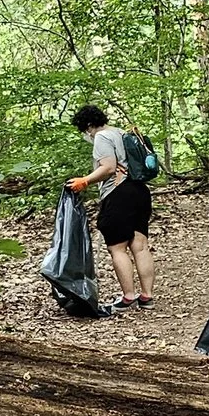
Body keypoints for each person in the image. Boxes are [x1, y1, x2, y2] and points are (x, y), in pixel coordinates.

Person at [67, 104, 156, 308]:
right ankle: (146, 296)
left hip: (118, 194)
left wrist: (85, 181)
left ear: (89, 125)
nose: (85, 134)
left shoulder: (102, 137)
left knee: (117, 248)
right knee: (140, 246)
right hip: (140, 191)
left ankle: (129, 296)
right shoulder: (122, 132)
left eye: (84, 129)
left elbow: (108, 167)